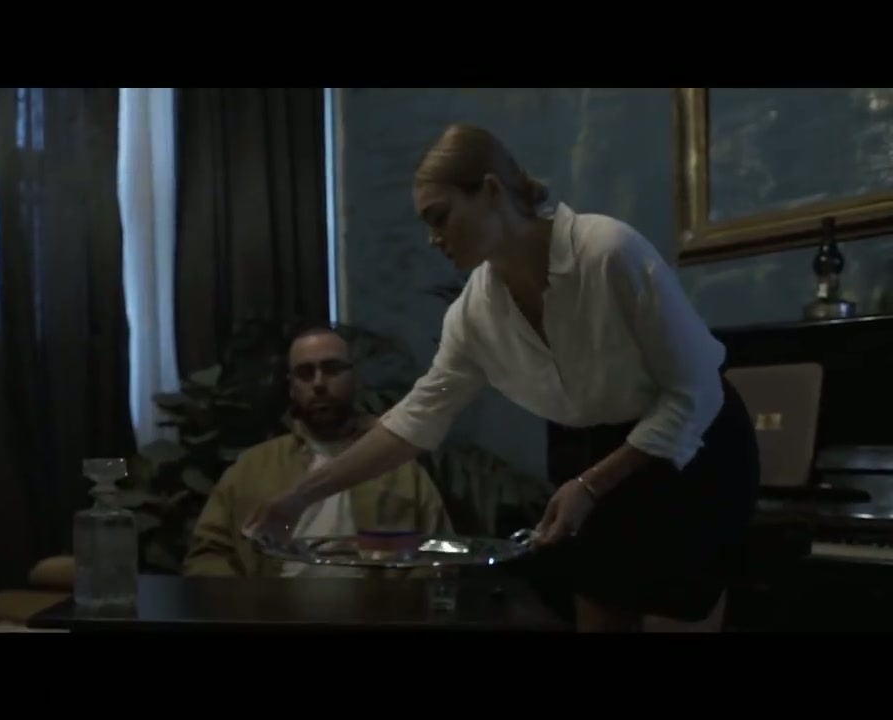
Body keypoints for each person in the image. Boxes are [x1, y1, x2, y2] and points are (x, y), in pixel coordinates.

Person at [244, 125, 760, 632]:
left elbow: (696, 390)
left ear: (491, 191)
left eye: (440, 217)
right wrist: (301, 496)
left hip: (698, 445)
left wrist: (590, 484)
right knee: (598, 605)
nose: (433, 238)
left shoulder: (606, 252)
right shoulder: (476, 312)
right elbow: (415, 421)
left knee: (673, 611)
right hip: (599, 453)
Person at [185, 327, 452, 579]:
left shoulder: (400, 471)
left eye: (332, 369)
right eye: (305, 373)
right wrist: (248, 603)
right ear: (291, 387)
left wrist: (401, 604)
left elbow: (440, 554)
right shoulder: (251, 468)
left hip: (375, 608)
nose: (319, 383)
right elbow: (207, 554)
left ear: (354, 378)